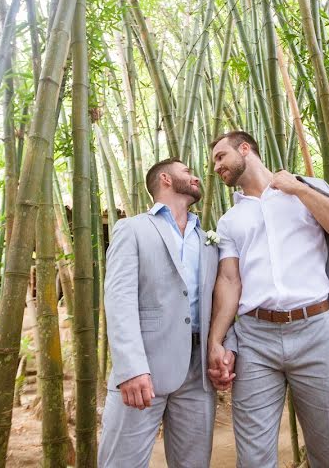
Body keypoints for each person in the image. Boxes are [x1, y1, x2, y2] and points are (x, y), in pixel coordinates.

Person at [207, 131, 329, 468]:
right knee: (254, 457)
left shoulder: (305, 190)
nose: (216, 166)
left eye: (221, 156)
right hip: (255, 340)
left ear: (245, 149)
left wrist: (299, 188)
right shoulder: (230, 220)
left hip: (315, 331)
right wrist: (216, 341)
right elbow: (230, 281)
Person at [98, 158, 234, 467]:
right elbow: (119, 300)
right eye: (187, 170)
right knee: (122, 462)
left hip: (198, 373)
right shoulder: (132, 229)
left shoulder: (208, 240)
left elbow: (224, 302)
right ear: (165, 179)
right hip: (145, 368)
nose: (196, 175)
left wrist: (226, 350)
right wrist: (131, 368)